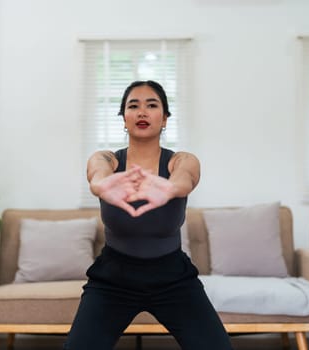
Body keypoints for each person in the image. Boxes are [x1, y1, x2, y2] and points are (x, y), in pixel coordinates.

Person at [63, 80, 233, 350]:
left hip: (172, 278)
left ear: (164, 119)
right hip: (113, 279)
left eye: (152, 105)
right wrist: (101, 185)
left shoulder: (181, 160)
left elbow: (185, 177)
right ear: (124, 119)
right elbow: (98, 172)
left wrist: (168, 189)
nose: (142, 112)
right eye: (134, 106)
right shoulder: (108, 160)